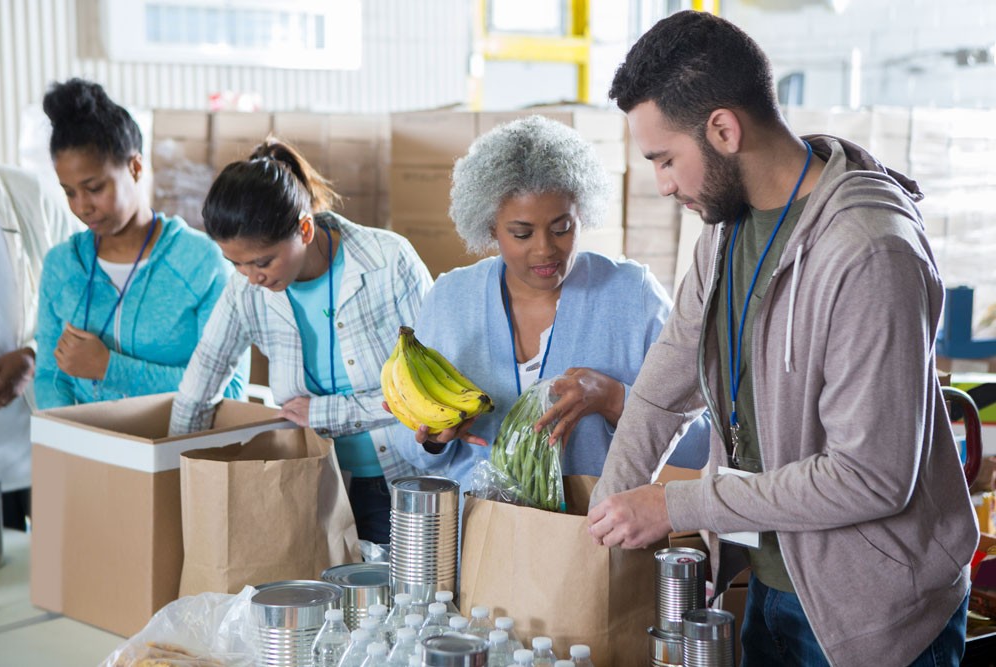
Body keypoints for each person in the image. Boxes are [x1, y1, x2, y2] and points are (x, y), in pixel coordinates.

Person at [587, 11, 978, 667]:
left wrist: (675, 502)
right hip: (765, 581)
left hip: (871, 618)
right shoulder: (727, 224)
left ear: (723, 129)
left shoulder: (869, 252)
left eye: (665, 158)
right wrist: (607, 515)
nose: (662, 183)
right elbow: (666, 379)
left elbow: (871, 478)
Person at [392, 115, 710, 505]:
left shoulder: (633, 296)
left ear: (583, 216)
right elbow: (407, 450)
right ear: (491, 227)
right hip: (475, 541)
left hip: (591, 541)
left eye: (562, 228)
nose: (545, 249)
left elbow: (701, 443)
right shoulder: (450, 298)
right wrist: (435, 442)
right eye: (521, 233)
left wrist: (614, 400)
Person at [169, 138, 432, 545]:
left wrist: (324, 413)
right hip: (309, 484)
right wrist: (169, 471)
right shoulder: (246, 291)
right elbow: (199, 385)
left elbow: (427, 391)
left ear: (305, 229)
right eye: (235, 263)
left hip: (396, 481)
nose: (251, 276)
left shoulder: (389, 262)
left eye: (262, 261)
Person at [34, 78, 246, 408]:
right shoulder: (62, 265)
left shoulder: (200, 262)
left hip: (174, 456)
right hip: (81, 454)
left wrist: (109, 368)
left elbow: (231, 392)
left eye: (94, 188)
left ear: (134, 167)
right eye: (69, 192)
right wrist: (68, 441)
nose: (81, 206)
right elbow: (49, 377)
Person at [0, 164, 80, 530]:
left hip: (33, 448)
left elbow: (84, 300)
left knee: (53, 575)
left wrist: (33, 354)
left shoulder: (26, 195)